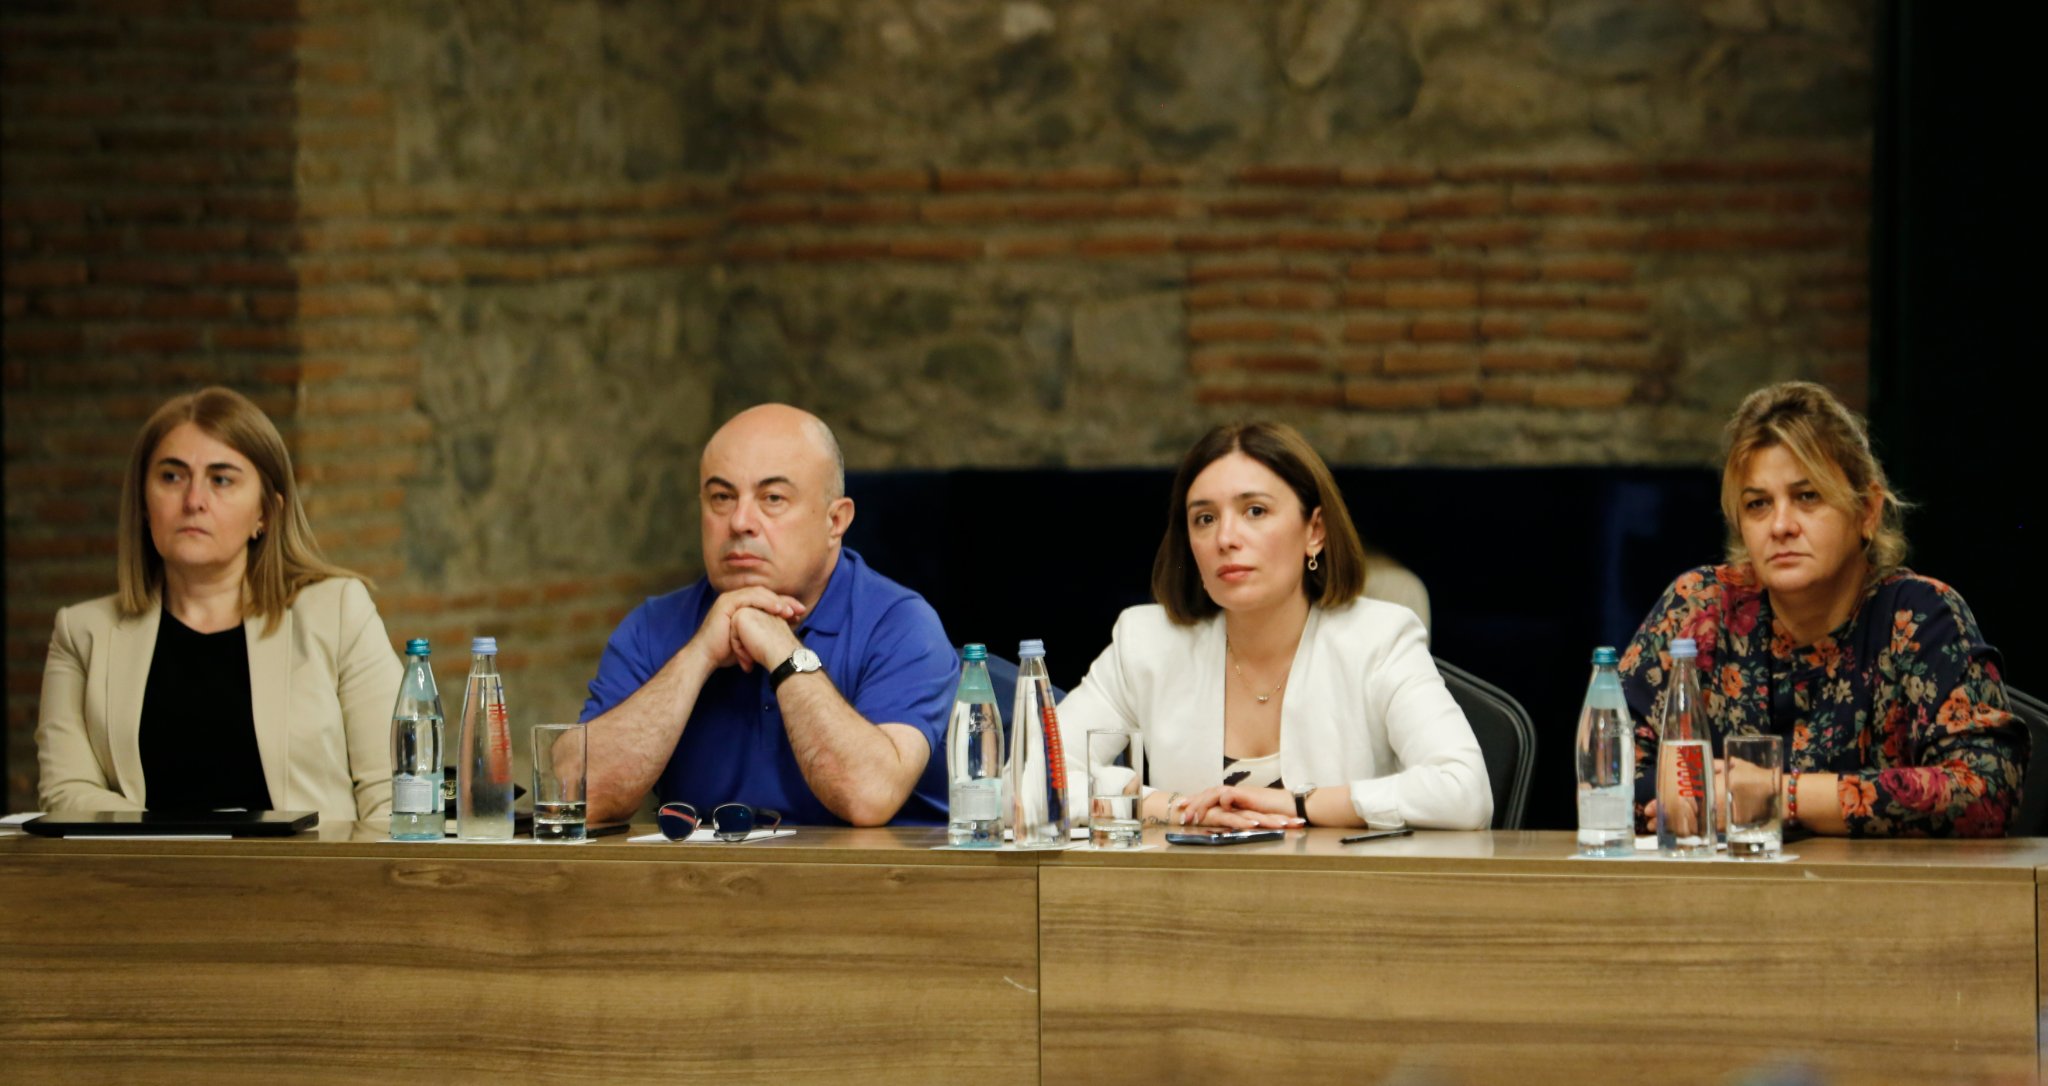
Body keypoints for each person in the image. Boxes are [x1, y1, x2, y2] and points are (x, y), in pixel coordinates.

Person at [1623, 381, 2026, 837]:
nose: (1780, 525)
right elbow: (1607, 767)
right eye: (1758, 504)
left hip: (1879, 884)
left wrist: (1780, 795)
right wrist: (1674, 793)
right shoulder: (1699, 606)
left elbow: (1986, 790)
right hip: (1723, 881)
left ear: (1867, 511)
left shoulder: (1919, 617)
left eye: (1807, 496)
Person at [1054, 421, 1493, 831]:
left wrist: (1300, 804)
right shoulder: (1145, 642)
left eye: (1255, 511)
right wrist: (1167, 806)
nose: (1226, 538)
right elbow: (1036, 778)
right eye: (1205, 518)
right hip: (1188, 888)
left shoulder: (1379, 638)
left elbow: (1464, 790)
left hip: (1339, 886)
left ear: (1315, 531)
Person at [37, 387, 402, 823]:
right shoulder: (82, 633)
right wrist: (182, 843)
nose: (194, 501)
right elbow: (67, 792)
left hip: (313, 867)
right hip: (146, 867)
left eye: (221, 480)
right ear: (144, 504)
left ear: (266, 512)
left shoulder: (338, 612)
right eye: (172, 477)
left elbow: (395, 794)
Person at [580, 404, 956, 826]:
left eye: (772, 498)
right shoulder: (653, 627)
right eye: (722, 498)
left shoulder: (901, 625)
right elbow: (577, 798)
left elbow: (868, 797)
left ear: (836, 520)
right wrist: (699, 655)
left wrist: (781, 651)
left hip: (875, 871)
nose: (740, 522)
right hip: (708, 871)